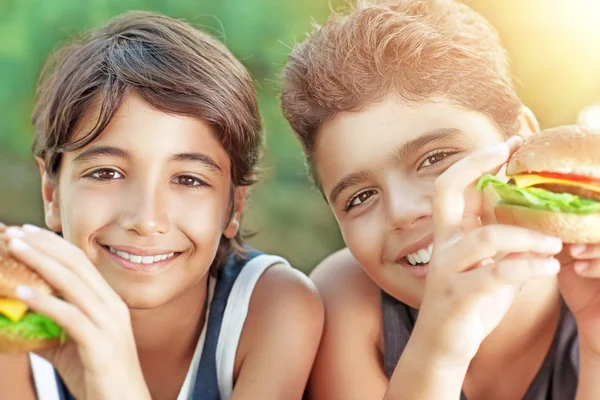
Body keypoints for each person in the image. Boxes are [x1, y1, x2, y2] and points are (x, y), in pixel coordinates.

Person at [280, 1, 600, 399]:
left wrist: (596, 347)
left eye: (435, 158)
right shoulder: (346, 301)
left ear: (521, 139)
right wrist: (439, 351)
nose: (402, 211)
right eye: (361, 196)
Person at [0, 11, 323, 400]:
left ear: (233, 207)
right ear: (51, 194)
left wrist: (115, 382)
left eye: (189, 180)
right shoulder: (17, 311)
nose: (146, 220)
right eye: (106, 173)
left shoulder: (271, 311)